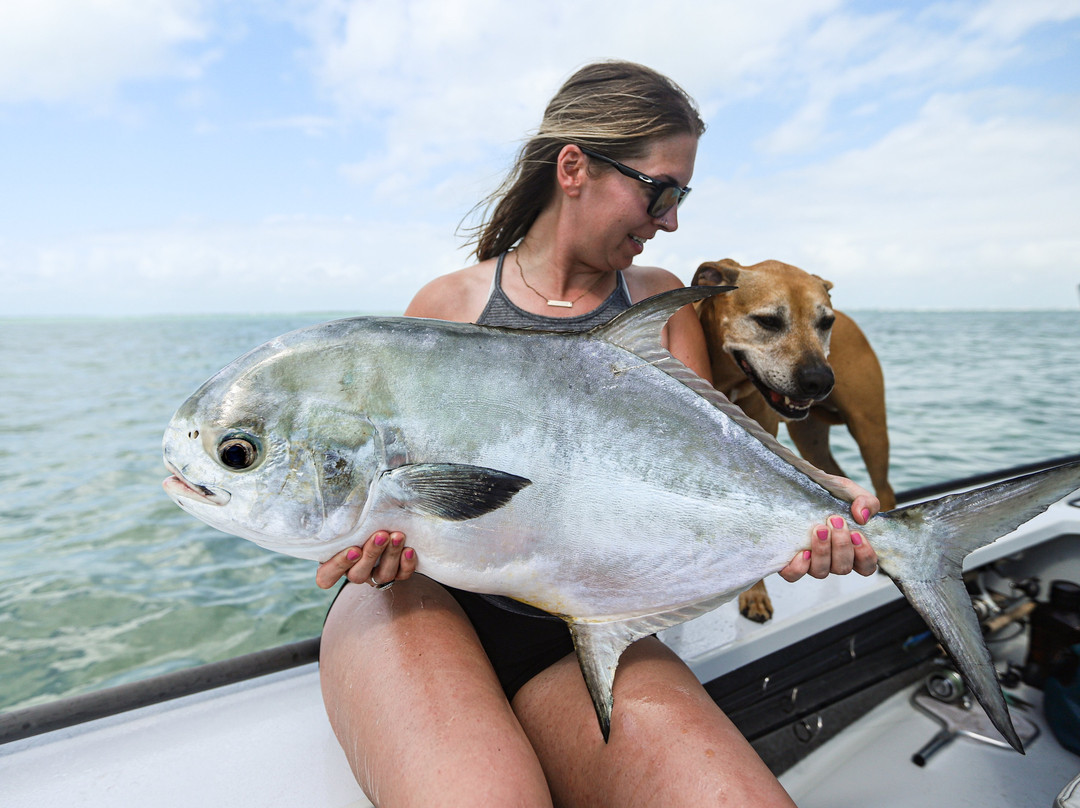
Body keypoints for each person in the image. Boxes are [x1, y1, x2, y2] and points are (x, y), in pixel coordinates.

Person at [316, 60, 880, 807]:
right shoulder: (448, 303)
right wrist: (365, 547)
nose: (672, 218)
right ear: (575, 168)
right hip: (424, 605)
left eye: (681, 195)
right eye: (660, 190)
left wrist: (810, 506)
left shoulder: (661, 305)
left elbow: (704, 470)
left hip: (587, 624)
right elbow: (383, 477)